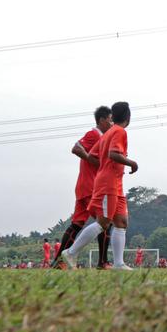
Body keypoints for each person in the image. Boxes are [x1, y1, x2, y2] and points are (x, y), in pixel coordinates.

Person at [60, 101, 138, 270]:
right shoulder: (119, 132)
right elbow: (113, 154)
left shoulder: (107, 134)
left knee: (121, 221)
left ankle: (118, 263)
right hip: (108, 183)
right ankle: (71, 253)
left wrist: (105, 164)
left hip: (116, 184)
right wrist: (131, 162)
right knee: (103, 222)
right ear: (128, 117)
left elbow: (93, 156)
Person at [53, 106, 113, 269]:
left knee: (77, 224)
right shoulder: (94, 134)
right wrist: (90, 159)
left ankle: (58, 263)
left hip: (84, 185)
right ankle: (102, 262)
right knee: (106, 221)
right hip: (92, 186)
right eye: (109, 119)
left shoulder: (104, 137)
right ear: (101, 120)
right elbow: (76, 148)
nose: (111, 122)